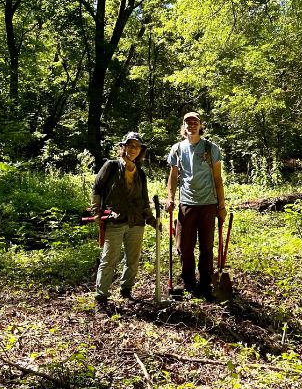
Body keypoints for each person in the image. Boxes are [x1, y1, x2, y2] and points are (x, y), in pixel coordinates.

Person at [91, 132, 159, 308]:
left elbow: (144, 200)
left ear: (141, 150)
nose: (133, 149)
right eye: (130, 145)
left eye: (137, 146)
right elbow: (97, 189)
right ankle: (101, 296)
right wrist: (96, 212)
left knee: (133, 260)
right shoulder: (111, 167)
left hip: (136, 222)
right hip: (114, 220)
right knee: (109, 259)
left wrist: (151, 220)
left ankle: (126, 290)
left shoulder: (141, 174)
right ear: (123, 147)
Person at [165, 112, 227, 298]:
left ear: (201, 125)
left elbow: (218, 178)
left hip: (208, 204)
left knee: (206, 247)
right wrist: (170, 198)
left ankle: (206, 284)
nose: (191, 125)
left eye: (195, 122)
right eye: (188, 122)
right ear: (183, 126)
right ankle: (189, 283)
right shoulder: (177, 149)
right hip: (186, 204)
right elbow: (173, 176)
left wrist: (221, 206)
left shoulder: (210, 148)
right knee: (184, 246)